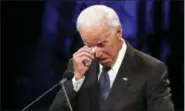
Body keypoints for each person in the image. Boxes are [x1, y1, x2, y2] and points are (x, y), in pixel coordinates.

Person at [49, 5, 174, 111]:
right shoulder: (79, 65)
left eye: (101, 44)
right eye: (89, 45)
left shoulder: (151, 69)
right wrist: (76, 79)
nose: (96, 53)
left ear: (118, 31)